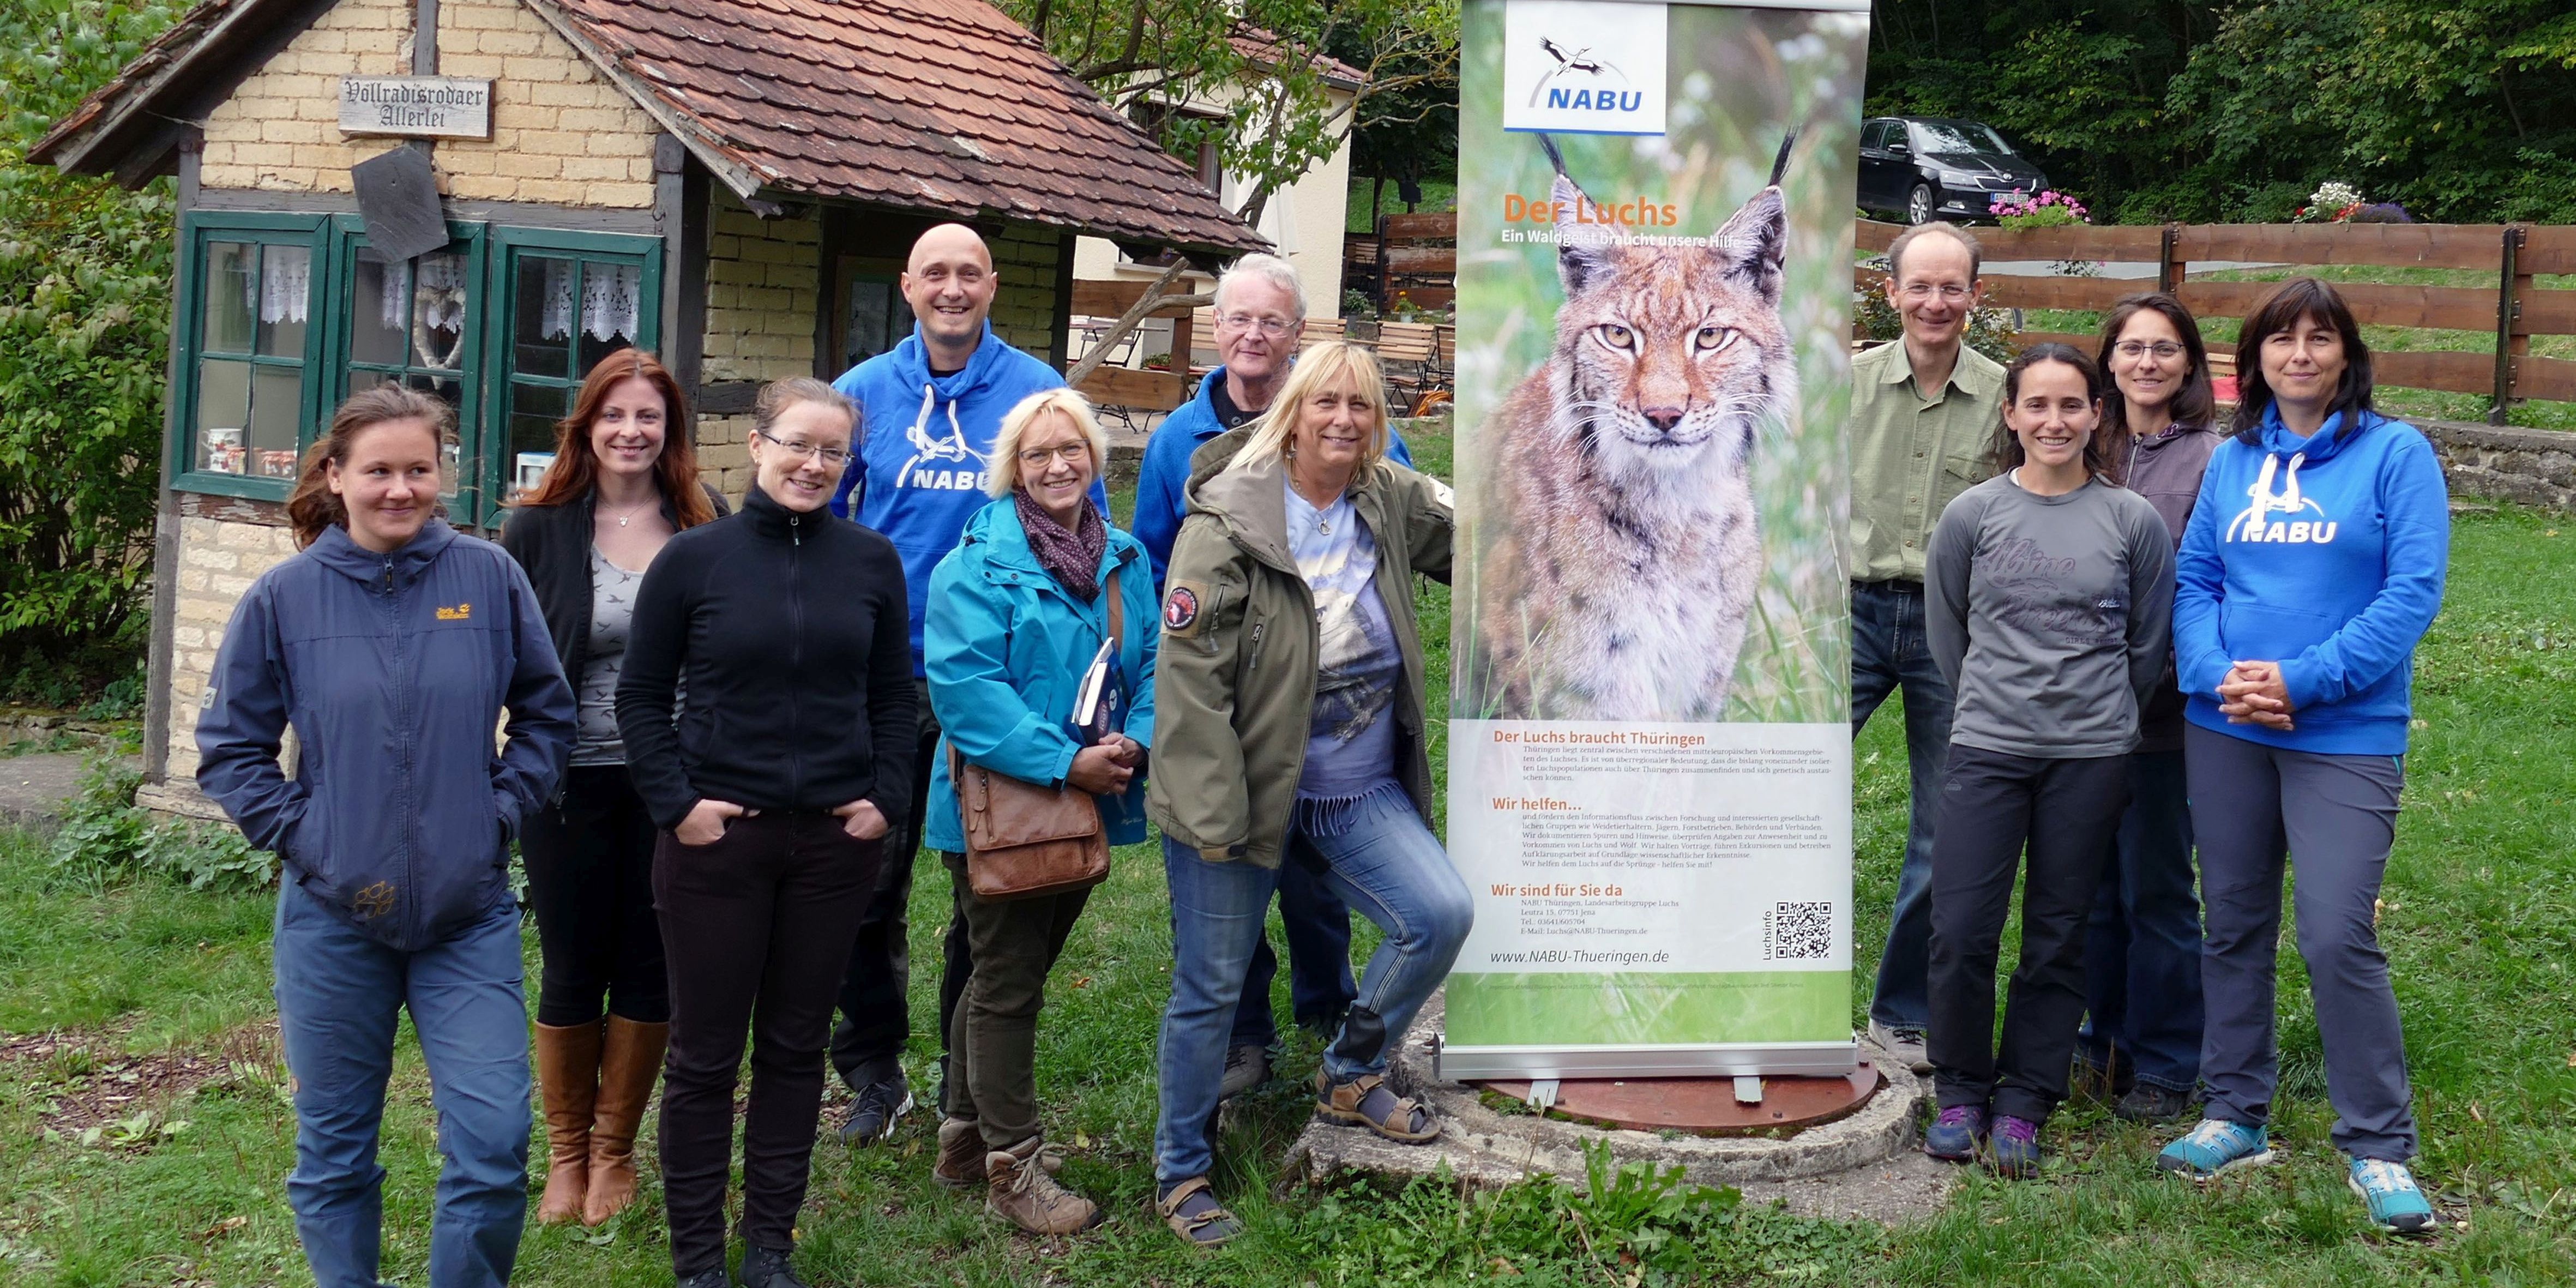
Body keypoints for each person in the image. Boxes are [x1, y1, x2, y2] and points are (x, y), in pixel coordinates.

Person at [197, 386, 575, 1288]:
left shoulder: (488, 578)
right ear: (336, 475)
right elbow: (229, 747)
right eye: (378, 470)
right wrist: (308, 835)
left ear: (443, 471)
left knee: (493, 1140)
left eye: (418, 469)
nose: (400, 488)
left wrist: (495, 813)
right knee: (333, 1148)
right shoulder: (284, 597)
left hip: (466, 911)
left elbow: (547, 716)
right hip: (332, 916)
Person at [1147, 342, 1466, 1248]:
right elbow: (1192, 687)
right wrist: (1219, 822)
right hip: (1241, 796)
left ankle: (1351, 1067)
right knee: (1210, 987)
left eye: (1361, 407)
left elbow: (1485, 526)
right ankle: (1180, 1172)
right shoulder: (1228, 524)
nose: (1343, 420)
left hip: (1352, 786)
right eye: (1325, 402)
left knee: (1438, 914)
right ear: (1291, 412)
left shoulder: (1384, 500)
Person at [2156, 279, 2448, 1236]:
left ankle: (2378, 1142)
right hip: (2227, 724)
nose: (2301, 356)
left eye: (2320, 339)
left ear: (2347, 354)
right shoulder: (2237, 460)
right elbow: (2196, 575)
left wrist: (2303, 680)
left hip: (2344, 732)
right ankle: (2235, 1110)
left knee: (2334, 933)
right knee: (2233, 920)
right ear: (2257, 360)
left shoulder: (2396, 455)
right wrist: (2210, 672)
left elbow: (2410, 595)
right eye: (2283, 340)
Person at [618, 380, 917, 1288]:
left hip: (832, 847)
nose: (814, 465)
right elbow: (640, 697)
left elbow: (892, 697)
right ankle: (699, 1261)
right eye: (798, 445)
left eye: (833, 453)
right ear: (756, 446)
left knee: (793, 1051)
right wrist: (679, 805)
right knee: (706, 1055)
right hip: (718, 846)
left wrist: (885, 800)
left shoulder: (871, 563)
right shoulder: (693, 561)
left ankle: (771, 1250)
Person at [823, 222, 1101, 1145]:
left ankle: (963, 1073)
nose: (952, 288)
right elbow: (820, 525)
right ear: (907, 286)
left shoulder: (1035, 395)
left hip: (995, 687)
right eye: (934, 273)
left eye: (969, 273)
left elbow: (1081, 533)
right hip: (882, 679)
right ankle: (872, 1066)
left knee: (988, 884)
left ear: (991, 288)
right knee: (869, 882)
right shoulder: (862, 394)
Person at [1131, 253, 1413, 1100]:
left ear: (1297, 334)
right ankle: (1242, 1039)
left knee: (1315, 882)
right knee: (1230, 877)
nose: (1254, 335)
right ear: (1217, 328)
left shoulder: (1351, 422)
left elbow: (1397, 510)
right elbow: (1153, 560)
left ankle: (1329, 1012)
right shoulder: (1181, 439)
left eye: (1273, 322)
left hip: (1331, 721)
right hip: (1235, 708)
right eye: (1239, 320)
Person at [1918, 344, 2175, 1177]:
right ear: (2011, 414)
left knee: (2058, 934)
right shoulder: (1973, 515)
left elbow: (2147, 644)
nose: (2055, 422)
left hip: (2090, 755)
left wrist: (2096, 718)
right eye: (2038, 406)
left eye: (2073, 406)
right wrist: (1998, 704)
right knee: (1961, 929)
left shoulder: (2131, 520)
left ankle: (2027, 1096)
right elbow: (1947, 633)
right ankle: (1960, 1087)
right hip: (1989, 747)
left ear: (2098, 414)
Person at [498, 348, 729, 1227]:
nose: (631, 432)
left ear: (669, 431)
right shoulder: (539, 528)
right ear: (587, 426)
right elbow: (508, 656)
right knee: (570, 960)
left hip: (674, 780)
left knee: (649, 959)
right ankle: (564, 1155)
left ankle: (614, 1150)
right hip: (568, 779)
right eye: (615, 416)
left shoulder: (704, 526)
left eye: (649, 417)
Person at [919, 388, 1157, 1234]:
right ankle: (1012, 1167)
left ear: (1095, 459)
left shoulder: (1124, 556)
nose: (1058, 465)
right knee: (1009, 979)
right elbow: (965, 692)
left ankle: (961, 1132)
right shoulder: (974, 566)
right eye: (1038, 453)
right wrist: (1068, 762)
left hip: (1088, 802)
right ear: (1012, 469)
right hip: (1001, 811)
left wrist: (1136, 736)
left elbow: (1156, 660)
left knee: (1004, 972)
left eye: (1073, 449)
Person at [1850, 221, 2007, 1075]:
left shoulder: (2007, 397)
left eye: (1953, 288)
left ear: (1974, 298)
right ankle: (1750, 979)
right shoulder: (1845, 385)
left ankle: (1902, 1012)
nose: (1936, 302)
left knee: (1948, 826)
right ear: (1892, 292)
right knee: (1776, 783)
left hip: (1959, 627)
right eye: (1921, 286)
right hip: (1850, 613)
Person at [2073, 296, 2223, 1122]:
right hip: (2073, 712)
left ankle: (2168, 1061)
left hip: (2162, 713)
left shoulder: (2214, 459)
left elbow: (2206, 584)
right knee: (2091, 887)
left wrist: (2158, 678)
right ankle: (2103, 1042)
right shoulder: (2085, 443)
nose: (2147, 362)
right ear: (2111, 359)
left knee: (2158, 889)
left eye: (2165, 348)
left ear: (2190, 363)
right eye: (2131, 347)